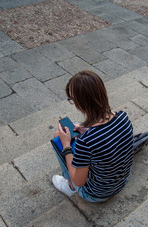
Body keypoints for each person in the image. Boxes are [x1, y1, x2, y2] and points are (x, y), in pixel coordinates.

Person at [52, 70, 134, 202]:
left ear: (81, 103)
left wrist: (67, 146)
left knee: (58, 138)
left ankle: (69, 186)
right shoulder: (123, 117)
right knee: (70, 132)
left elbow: (80, 181)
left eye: (72, 99)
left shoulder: (85, 142)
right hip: (122, 179)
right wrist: (86, 129)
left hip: (96, 194)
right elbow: (109, 138)